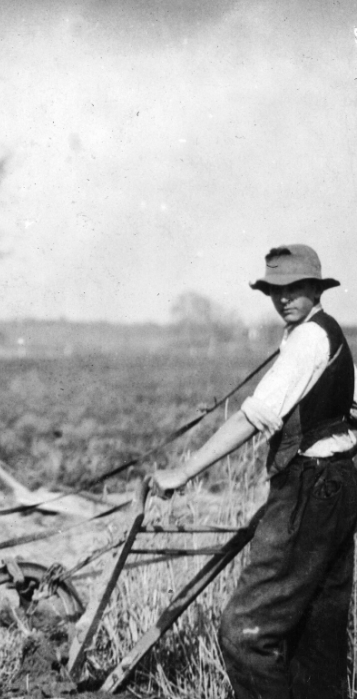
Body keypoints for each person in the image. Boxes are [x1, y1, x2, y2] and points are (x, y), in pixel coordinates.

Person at [151, 244, 357, 699]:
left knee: (245, 633)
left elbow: (253, 416)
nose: (283, 298)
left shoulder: (306, 340)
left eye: (294, 288)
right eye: (273, 290)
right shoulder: (328, 334)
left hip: (310, 488)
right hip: (338, 486)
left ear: (316, 288)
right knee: (316, 638)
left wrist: (182, 473)